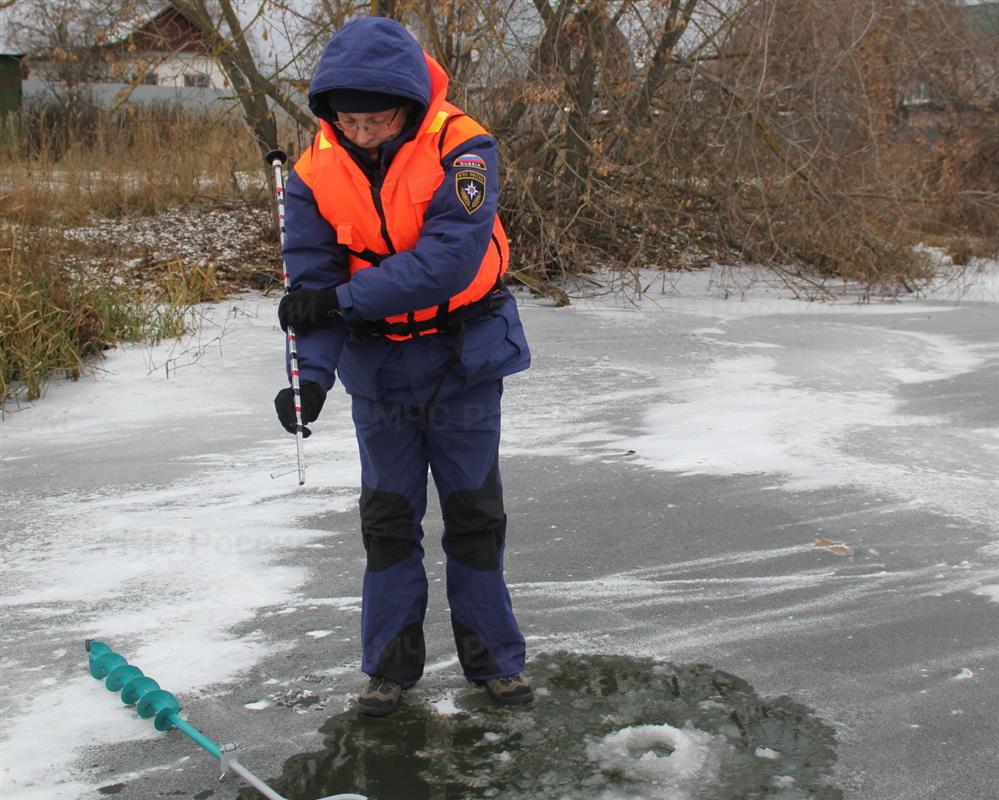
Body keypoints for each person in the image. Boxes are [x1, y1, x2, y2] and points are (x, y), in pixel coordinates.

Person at [272, 16, 533, 717]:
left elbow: (448, 261)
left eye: (377, 119)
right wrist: (311, 380)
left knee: (475, 516)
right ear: (330, 112)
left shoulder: (465, 148)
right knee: (387, 522)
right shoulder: (310, 173)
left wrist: (338, 299)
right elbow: (312, 288)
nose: (362, 133)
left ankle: (496, 664)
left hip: (463, 359)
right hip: (377, 373)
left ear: (408, 106)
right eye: (349, 120)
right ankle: (388, 670)